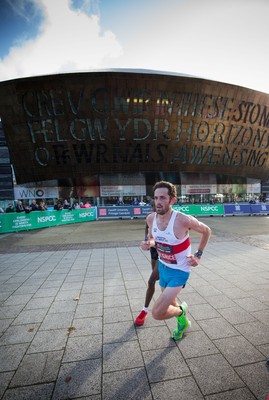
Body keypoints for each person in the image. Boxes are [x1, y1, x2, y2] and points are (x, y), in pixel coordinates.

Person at [140, 181, 211, 340]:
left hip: (180, 271)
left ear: (172, 200)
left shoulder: (182, 220)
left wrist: (198, 255)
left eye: (163, 198)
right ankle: (183, 322)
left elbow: (206, 231)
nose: (158, 202)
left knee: (157, 313)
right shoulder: (151, 219)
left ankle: (181, 311)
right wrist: (147, 244)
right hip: (164, 267)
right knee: (170, 302)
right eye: (156, 198)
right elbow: (153, 239)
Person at [135, 202, 159, 326]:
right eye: (154, 205)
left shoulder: (171, 218)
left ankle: (144, 310)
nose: (156, 207)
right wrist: (147, 240)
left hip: (165, 253)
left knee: (152, 280)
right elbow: (147, 228)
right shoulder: (150, 217)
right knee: (156, 279)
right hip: (154, 250)